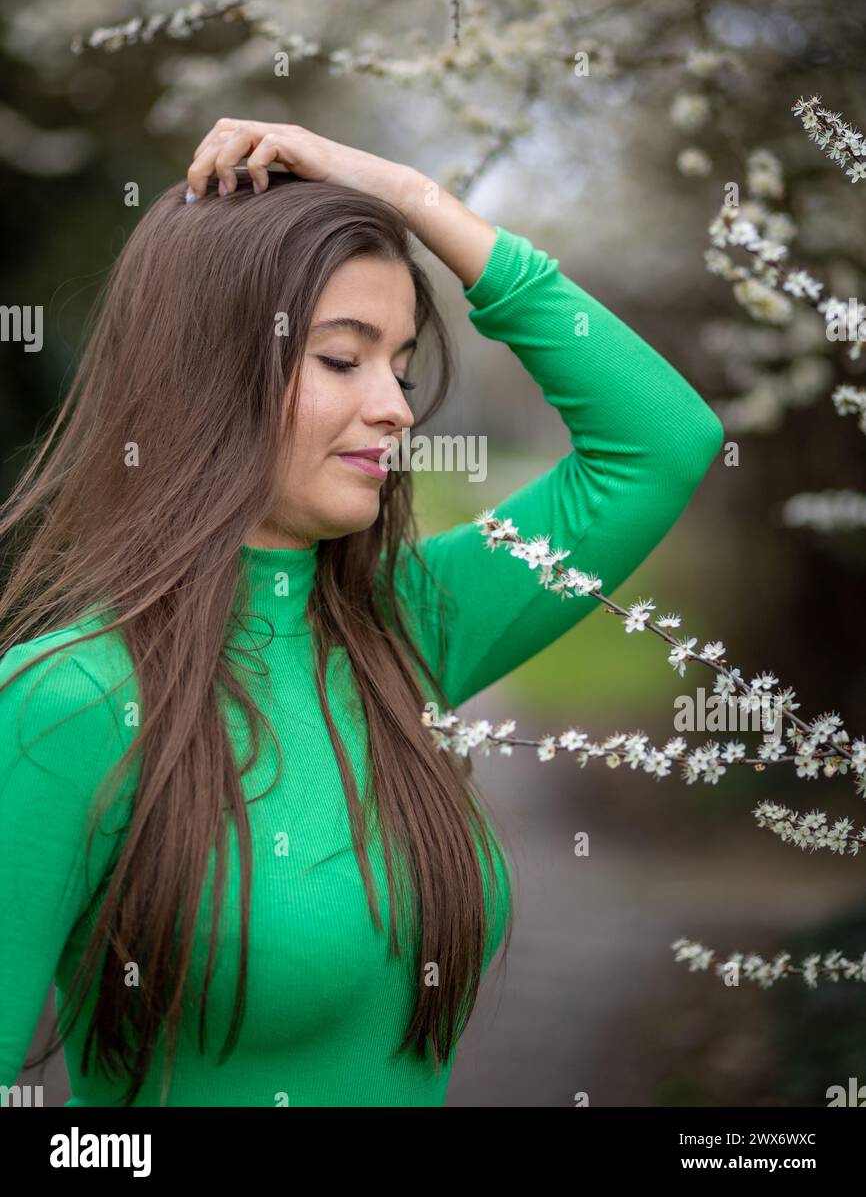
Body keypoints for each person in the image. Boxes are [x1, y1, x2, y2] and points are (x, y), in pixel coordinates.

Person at [0, 120, 724, 1107]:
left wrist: (406, 195)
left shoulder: (407, 626)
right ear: (207, 374)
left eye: (401, 363)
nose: (393, 405)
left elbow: (660, 441)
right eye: (343, 359)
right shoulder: (69, 700)